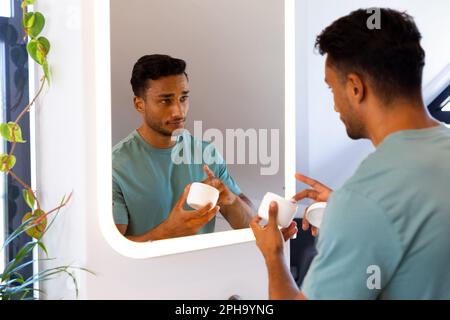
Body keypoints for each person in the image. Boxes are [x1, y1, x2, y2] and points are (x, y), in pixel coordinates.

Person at [251, 8, 450, 299]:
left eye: (332, 89)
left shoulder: (363, 200)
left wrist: (273, 254)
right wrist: (355, 211)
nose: (334, 106)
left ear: (356, 88)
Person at [113, 54, 255, 242]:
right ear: (139, 104)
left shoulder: (207, 154)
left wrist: (231, 199)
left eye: (183, 98)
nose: (178, 111)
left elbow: (252, 227)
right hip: (146, 271)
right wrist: (166, 232)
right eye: (165, 101)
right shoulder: (116, 166)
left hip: (202, 269)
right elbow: (112, 249)